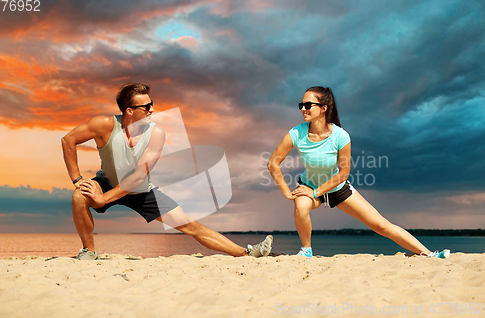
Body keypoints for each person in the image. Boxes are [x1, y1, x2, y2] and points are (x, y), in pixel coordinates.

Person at [62, 83, 273, 260]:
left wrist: (103, 199)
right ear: (129, 111)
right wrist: (77, 179)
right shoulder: (104, 124)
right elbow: (68, 140)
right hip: (107, 182)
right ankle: (88, 252)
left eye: (151, 104)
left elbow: (138, 176)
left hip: (141, 190)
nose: (152, 109)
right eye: (146, 106)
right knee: (79, 197)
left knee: (190, 225)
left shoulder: (156, 134)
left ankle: (245, 254)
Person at [267, 86, 449, 258]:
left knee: (381, 225)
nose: (303, 109)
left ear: (323, 108)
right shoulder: (296, 133)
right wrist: (288, 193)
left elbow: (343, 174)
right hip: (309, 187)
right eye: (301, 105)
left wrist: (316, 192)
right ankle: (306, 250)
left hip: (337, 188)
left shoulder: (340, 136)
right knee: (301, 206)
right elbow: (273, 163)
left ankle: (428, 253)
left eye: (308, 105)